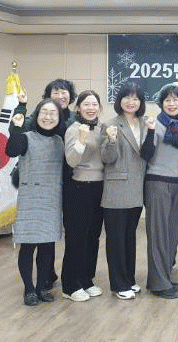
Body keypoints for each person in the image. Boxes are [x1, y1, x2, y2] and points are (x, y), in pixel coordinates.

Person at [6, 99, 65, 306]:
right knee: (28, 246)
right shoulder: (26, 137)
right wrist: (16, 126)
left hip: (51, 199)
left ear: (59, 118)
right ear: (37, 115)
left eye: (53, 113)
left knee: (47, 247)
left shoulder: (59, 141)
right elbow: (11, 150)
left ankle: (42, 287)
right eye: (44, 112)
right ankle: (29, 289)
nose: (48, 117)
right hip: (30, 199)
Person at [100, 82, 156, 300]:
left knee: (129, 237)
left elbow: (147, 154)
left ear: (141, 102)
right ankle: (118, 284)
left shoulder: (145, 123)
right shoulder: (110, 124)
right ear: (119, 100)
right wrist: (112, 140)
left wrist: (151, 131)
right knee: (116, 239)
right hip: (116, 189)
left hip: (137, 188)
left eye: (135, 98)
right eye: (127, 97)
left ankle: (129, 279)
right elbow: (107, 158)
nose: (131, 102)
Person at [144, 84, 178, 299]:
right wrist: (150, 131)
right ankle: (158, 284)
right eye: (167, 100)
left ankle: (164, 276)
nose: (172, 104)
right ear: (161, 103)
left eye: (175, 100)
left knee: (172, 234)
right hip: (157, 183)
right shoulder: (154, 124)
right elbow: (145, 153)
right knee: (158, 235)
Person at [61, 90, 105, 302]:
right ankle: (70, 285)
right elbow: (71, 160)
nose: (91, 108)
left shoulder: (102, 128)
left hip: (99, 187)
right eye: (86, 104)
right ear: (78, 107)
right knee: (76, 238)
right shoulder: (74, 129)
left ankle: (87, 279)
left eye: (94, 104)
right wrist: (80, 140)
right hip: (78, 188)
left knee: (92, 237)